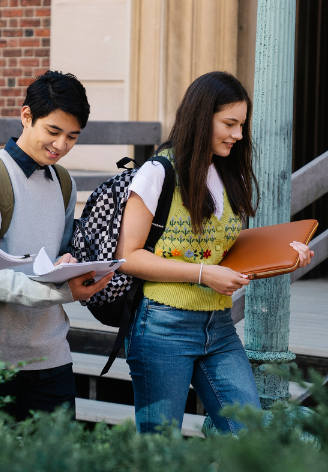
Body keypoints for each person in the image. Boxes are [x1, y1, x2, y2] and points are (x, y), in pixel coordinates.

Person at [114, 71, 314, 434]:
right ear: (200, 116)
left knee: (246, 435)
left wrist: (283, 254)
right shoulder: (158, 172)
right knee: (160, 449)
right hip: (162, 325)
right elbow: (128, 256)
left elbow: (224, 245)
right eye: (230, 123)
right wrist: (205, 274)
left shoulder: (226, 173)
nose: (238, 134)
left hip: (218, 326)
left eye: (242, 125)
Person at [0, 70, 112, 420]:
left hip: (51, 355)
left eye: (72, 137)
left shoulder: (63, 182)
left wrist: (70, 264)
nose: (61, 145)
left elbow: (55, 256)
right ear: (26, 116)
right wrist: (60, 291)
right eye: (53, 132)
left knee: (55, 471)